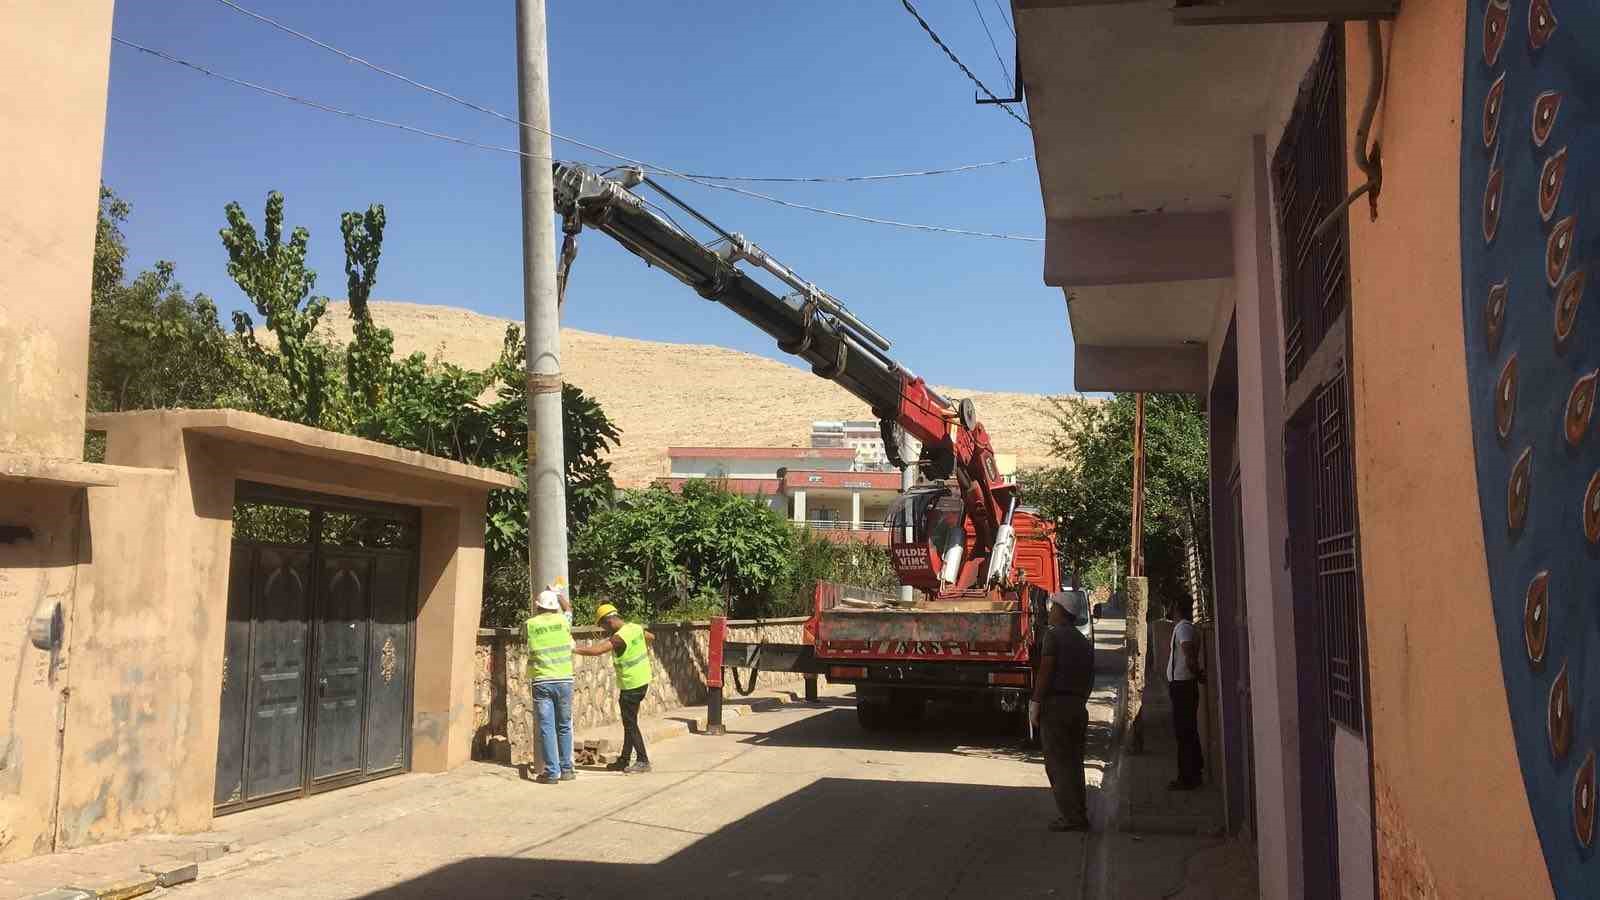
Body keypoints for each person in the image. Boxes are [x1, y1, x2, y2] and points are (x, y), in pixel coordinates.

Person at [1030, 592, 1095, 832]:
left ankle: (1071, 817)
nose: (1050, 611)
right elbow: (1090, 678)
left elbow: (1045, 671)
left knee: (1058, 763)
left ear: (1062, 611)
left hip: (1056, 707)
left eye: (1054, 607)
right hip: (1077, 706)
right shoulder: (1083, 641)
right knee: (1074, 762)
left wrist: (1036, 702)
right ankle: (1079, 812)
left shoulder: (1053, 636)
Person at [574, 603, 655, 773]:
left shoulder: (619, 637)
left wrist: (573, 649)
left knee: (630, 724)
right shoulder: (634, 627)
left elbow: (597, 650)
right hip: (642, 681)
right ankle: (624, 760)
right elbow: (650, 637)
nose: (604, 630)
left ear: (609, 621)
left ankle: (642, 760)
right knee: (629, 723)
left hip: (631, 685)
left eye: (603, 626)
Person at [526, 587, 576, 785]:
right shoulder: (564, 621)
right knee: (564, 726)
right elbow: (569, 609)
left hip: (542, 681)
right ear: (554, 607)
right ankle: (566, 769)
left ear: (538, 607)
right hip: (564, 680)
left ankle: (552, 772)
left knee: (547, 727)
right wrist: (558, 593)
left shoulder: (530, 624)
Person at [1166, 599, 1204, 791]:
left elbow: (1189, 654)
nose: (1169, 609)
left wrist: (1196, 673)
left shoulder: (1183, 628)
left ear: (1177, 608)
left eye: (1172, 606)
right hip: (1181, 685)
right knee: (1188, 730)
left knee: (1184, 733)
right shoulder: (1183, 627)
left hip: (1183, 686)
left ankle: (1187, 777)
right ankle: (1194, 771)